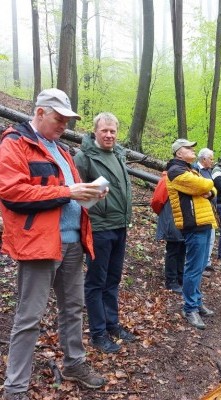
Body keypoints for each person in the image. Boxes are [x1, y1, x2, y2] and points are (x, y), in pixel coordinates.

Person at [0, 88, 105, 399]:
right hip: (39, 244)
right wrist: (68, 192)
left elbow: (69, 191)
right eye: (59, 119)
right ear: (40, 112)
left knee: (73, 307)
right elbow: (12, 193)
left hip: (73, 242)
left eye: (67, 120)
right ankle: (15, 388)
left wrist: (91, 194)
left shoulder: (62, 151)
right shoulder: (15, 143)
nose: (64, 126)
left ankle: (74, 363)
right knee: (28, 317)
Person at [74, 112, 138, 354]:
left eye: (113, 131)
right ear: (95, 131)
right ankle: (98, 333)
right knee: (96, 282)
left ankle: (112, 325)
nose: (109, 135)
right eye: (105, 131)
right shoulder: (84, 157)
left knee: (113, 279)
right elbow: (76, 192)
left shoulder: (118, 154)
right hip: (99, 228)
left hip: (119, 225)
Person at [167, 139, 217, 330]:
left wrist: (209, 190)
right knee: (194, 268)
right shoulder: (175, 171)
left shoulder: (190, 169)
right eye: (188, 148)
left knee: (201, 265)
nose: (192, 150)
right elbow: (206, 185)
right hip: (193, 224)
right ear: (179, 152)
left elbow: (211, 190)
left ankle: (196, 302)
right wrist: (208, 187)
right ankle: (189, 308)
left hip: (203, 222)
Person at [151, 169, 185, 293]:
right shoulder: (166, 179)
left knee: (182, 248)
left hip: (183, 220)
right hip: (171, 218)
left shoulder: (185, 177)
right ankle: (171, 281)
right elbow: (156, 201)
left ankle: (180, 278)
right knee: (173, 248)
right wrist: (166, 215)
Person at [193, 148, 216, 275]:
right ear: (204, 159)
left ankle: (205, 263)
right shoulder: (195, 169)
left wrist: (212, 193)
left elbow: (212, 189)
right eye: (211, 159)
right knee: (202, 239)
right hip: (200, 210)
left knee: (211, 237)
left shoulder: (209, 171)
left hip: (211, 208)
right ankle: (200, 265)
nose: (212, 161)